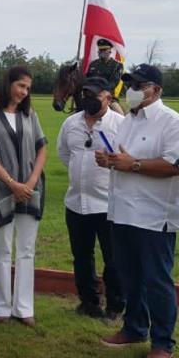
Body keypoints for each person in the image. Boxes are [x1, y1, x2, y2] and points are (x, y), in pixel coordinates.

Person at [95, 63, 179, 358]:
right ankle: (134, 328)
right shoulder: (127, 121)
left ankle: (163, 341)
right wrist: (110, 160)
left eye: (139, 85)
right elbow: (124, 158)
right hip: (122, 210)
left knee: (156, 280)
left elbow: (176, 165)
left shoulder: (172, 122)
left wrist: (132, 164)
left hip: (154, 215)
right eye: (130, 84)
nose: (133, 90)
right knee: (129, 276)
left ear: (156, 90)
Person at [0, 66, 47, 327]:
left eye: (28, 88)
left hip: (31, 190)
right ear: (9, 84)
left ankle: (23, 307)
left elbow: (41, 149)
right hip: (1, 190)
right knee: (3, 248)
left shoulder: (31, 115)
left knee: (26, 250)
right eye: (21, 86)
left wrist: (29, 182)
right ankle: (2, 308)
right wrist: (12, 184)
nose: (24, 92)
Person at [57, 76, 125, 320]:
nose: (88, 99)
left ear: (108, 96)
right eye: (85, 94)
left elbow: (127, 159)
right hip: (76, 202)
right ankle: (88, 302)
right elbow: (64, 154)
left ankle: (116, 306)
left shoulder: (120, 124)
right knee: (82, 257)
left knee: (113, 259)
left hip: (108, 204)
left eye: (94, 95)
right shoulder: (71, 123)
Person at [86, 39, 124, 114]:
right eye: (100, 50)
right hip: (91, 96)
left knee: (121, 115)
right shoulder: (93, 65)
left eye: (104, 50)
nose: (101, 52)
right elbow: (87, 80)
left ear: (110, 51)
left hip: (108, 97)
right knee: (74, 116)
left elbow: (113, 83)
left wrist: (101, 91)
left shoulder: (117, 66)